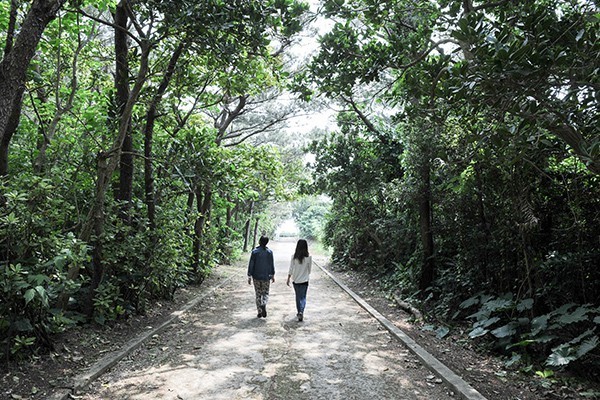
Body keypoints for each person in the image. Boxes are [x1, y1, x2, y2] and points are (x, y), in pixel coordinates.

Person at [248, 236, 275, 318]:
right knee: (265, 293)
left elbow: (251, 264)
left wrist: (249, 275)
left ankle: (259, 312)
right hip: (266, 276)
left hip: (256, 276)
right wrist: (273, 274)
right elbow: (271, 264)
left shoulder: (254, 252)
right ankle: (264, 303)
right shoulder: (269, 252)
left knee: (258, 294)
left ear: (259, 241)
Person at [286, 239, 312, 322]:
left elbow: (291, 268)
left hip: (296, 280)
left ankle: (299, 311)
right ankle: (301, 312)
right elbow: (309, 270)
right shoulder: (308, 257)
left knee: (298, 297)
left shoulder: (294, 257)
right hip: (305, 280)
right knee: (303, 297)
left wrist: (288, 278)